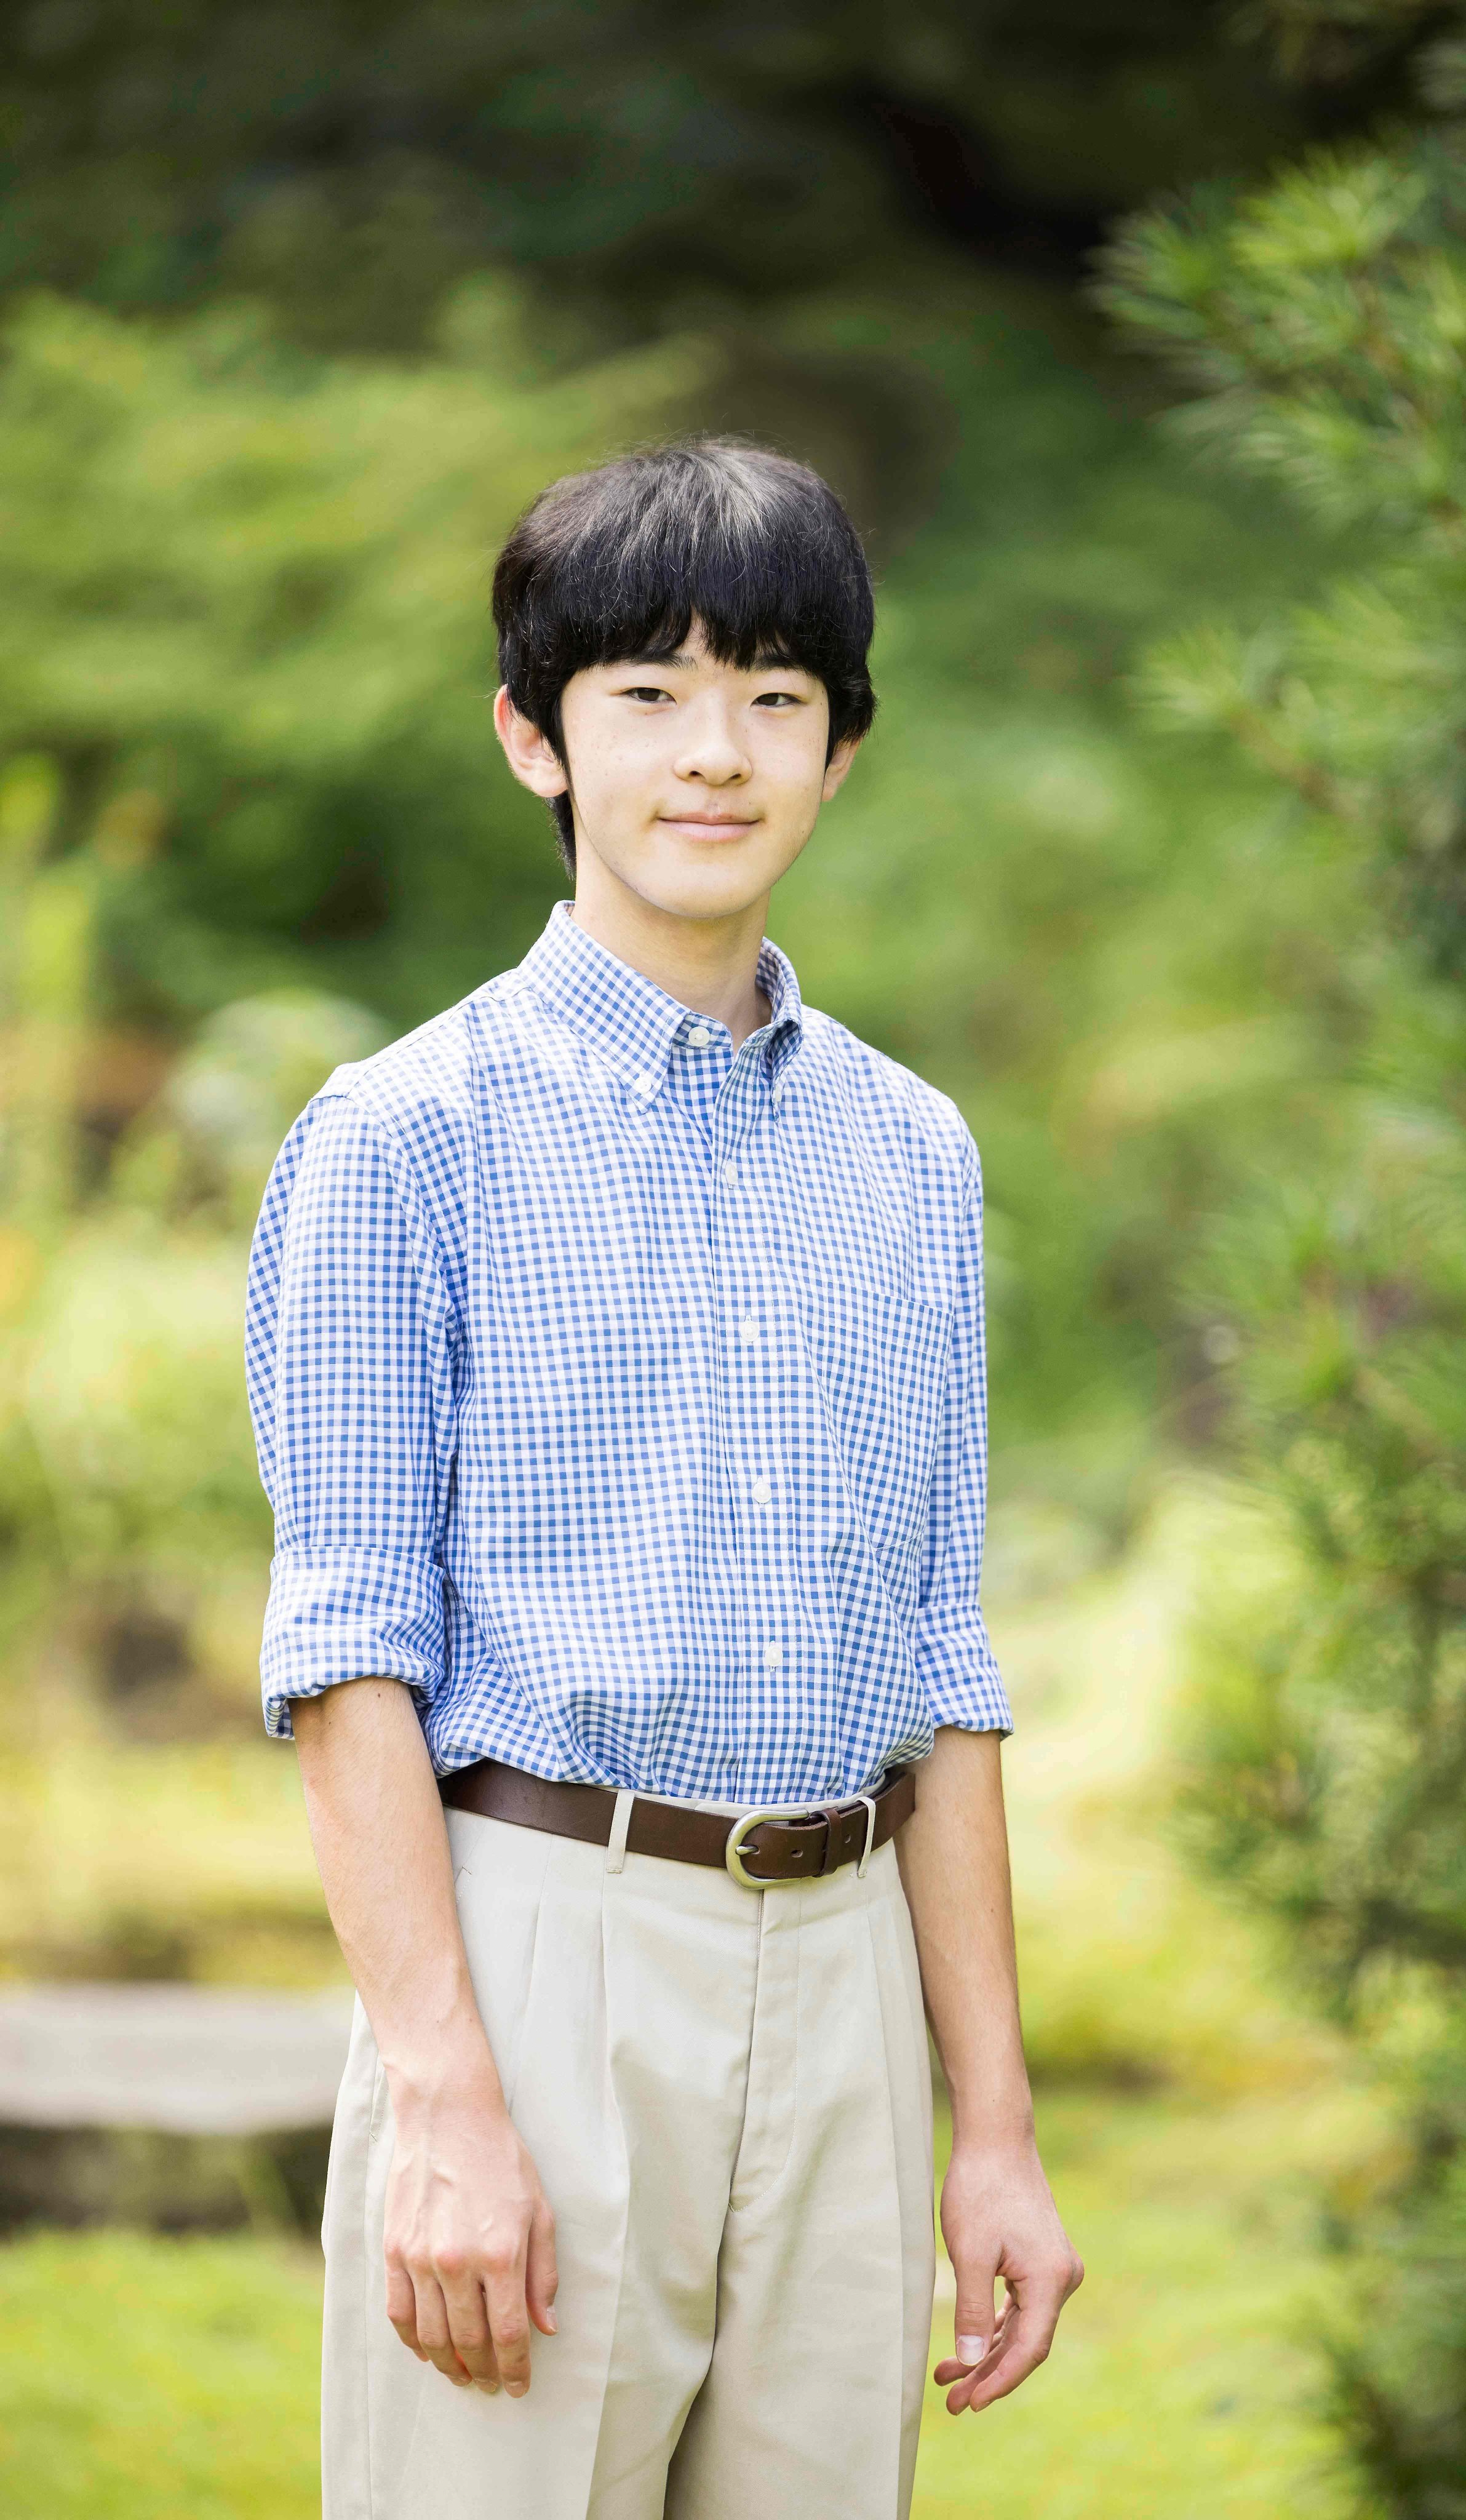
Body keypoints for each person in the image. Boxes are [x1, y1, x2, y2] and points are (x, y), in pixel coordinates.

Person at [245, 437, 1082, 2520]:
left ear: (840, 751)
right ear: (534, 738)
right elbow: (348, 1653)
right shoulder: (396, 1139)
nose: (715, 754)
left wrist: (991, 2123)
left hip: (850, 1989)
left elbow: (937, 1657)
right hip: (539, 1963)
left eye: (775, 698)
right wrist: (442, 2092)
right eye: (646, 695)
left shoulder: (915, 1154)